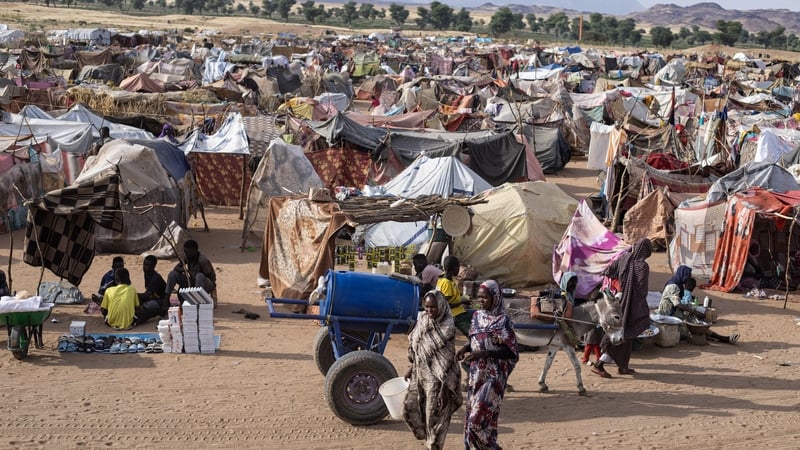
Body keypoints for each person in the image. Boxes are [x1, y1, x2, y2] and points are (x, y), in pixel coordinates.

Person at [456, 280, 518, 449]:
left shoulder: (503, 320)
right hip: (476, 375)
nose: (481, 301)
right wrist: (465, 348)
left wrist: (486, 353)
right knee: (478, 423)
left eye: (485, 298)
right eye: (480, 297)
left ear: (495, 298)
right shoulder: (477, 316)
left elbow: (511, 352)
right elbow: (474, 339)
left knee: (476, 421)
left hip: (494, 378)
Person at [402, 291, 462, 450]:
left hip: (438, 380)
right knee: (409, 408)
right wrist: (411, 368)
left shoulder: (447, 327)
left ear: (441, 306)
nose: (429, 310)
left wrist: (444, 390)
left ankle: (433, 445)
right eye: (427, 306)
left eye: (433, 307)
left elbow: (448, 361)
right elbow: (418, 347)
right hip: (419, 374)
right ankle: (428, 439)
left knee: (434, 418)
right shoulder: (422, 319)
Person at [593, 238, 652, 378]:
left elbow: (608, 271)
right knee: (622, 335)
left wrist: (620, 286)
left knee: (627, 335)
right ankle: (599, 364)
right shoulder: (642, 266)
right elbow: (643, 289)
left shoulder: (624, 258)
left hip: (618, 302)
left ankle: (623, 366)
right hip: (631, 305)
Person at [661, 276, 740, 344]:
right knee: (689, 326)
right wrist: (693, 311)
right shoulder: (674, 287)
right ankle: (721, 338)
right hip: (667, 315)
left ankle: (720, 337)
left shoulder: (678, 285)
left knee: (693, 321)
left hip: (673, 312)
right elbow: (678, 304)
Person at [436, 256, 471, 337]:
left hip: (458, 311)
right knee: (472, 332)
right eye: (458, 267)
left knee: (476, 313)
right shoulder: (447, 283)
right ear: (454, 269)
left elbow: (452, 298)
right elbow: (445, 305)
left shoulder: (444, 279)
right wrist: (462, 302)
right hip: (454, 315)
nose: (459, 270)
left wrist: (463, 298)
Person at [133, 255, 168, 325]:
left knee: (144, 308)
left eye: (148, 265)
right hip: (152, 297)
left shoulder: (156, 278)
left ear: (153, 266)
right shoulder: (147, 274)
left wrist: (132, 295)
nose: (145, 267)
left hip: (161, 300)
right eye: (144, 264)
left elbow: (146, 295)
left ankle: (162, 310)